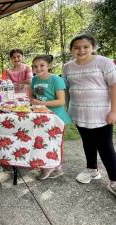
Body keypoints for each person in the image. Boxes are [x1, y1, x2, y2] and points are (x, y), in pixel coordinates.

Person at [63, 34, 116, 196]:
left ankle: (114, 180)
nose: (81, 50)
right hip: (79, 112)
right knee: (87, 143)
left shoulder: (104, 62)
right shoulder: (67, 66)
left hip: (102, 113)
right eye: (76, 47)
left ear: (93, 47)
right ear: (71, 50)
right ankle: (92, 170)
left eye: (85, 46)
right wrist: (66, 109)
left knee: (106, 146)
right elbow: (67, 89)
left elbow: (114, 86)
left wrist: (114, 110)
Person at [29, 54, 71, 180]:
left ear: (49, 66)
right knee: (44, 142)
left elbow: (61, 101)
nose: (38, 68)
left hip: (56, 117)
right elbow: (31, 97)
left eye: (42, 65)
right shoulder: (34, 79)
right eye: (35, 66)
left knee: (55, 143)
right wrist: (33, 101)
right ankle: (48, 165)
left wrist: (41, 103)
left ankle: (56, 167)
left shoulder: (56, 80)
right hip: (42, 117)